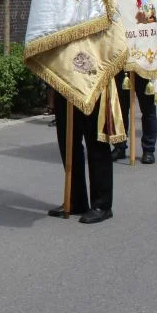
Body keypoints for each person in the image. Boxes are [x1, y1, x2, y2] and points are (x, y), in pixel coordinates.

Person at [46, 91, 114, 224]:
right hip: (65, 83)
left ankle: (102, 204)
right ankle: (76, 200)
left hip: (91, 82)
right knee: (67, 141)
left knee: (96, 143)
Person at [110, 69, 157, 164]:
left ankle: (148, 149)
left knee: (148, 110)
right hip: (123, 66)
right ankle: (119, 146)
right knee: (120, 109)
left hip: (144, 65)